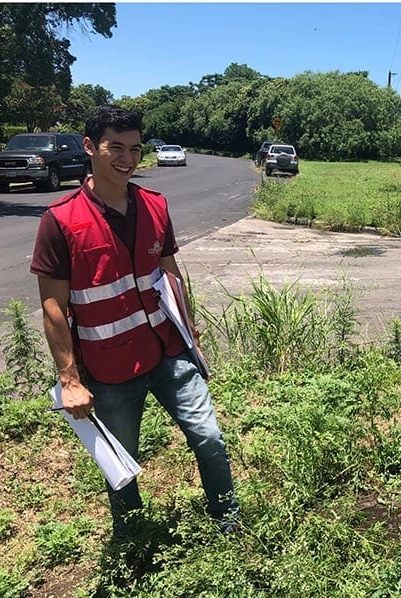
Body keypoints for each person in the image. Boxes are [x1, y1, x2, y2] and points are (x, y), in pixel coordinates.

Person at [31, 105, 239, 540]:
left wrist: (189, 327)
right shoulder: (60, 221)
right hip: (110, 369)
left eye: (136, 149)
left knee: (210, 438)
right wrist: (69, 379)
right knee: (120, 465)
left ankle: (228, 522)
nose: (128, 158)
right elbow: (53, 306)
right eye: (116, 147)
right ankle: (133, 539)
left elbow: (169, 273)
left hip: (168, 352)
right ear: (89, 148)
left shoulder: (155, 206)